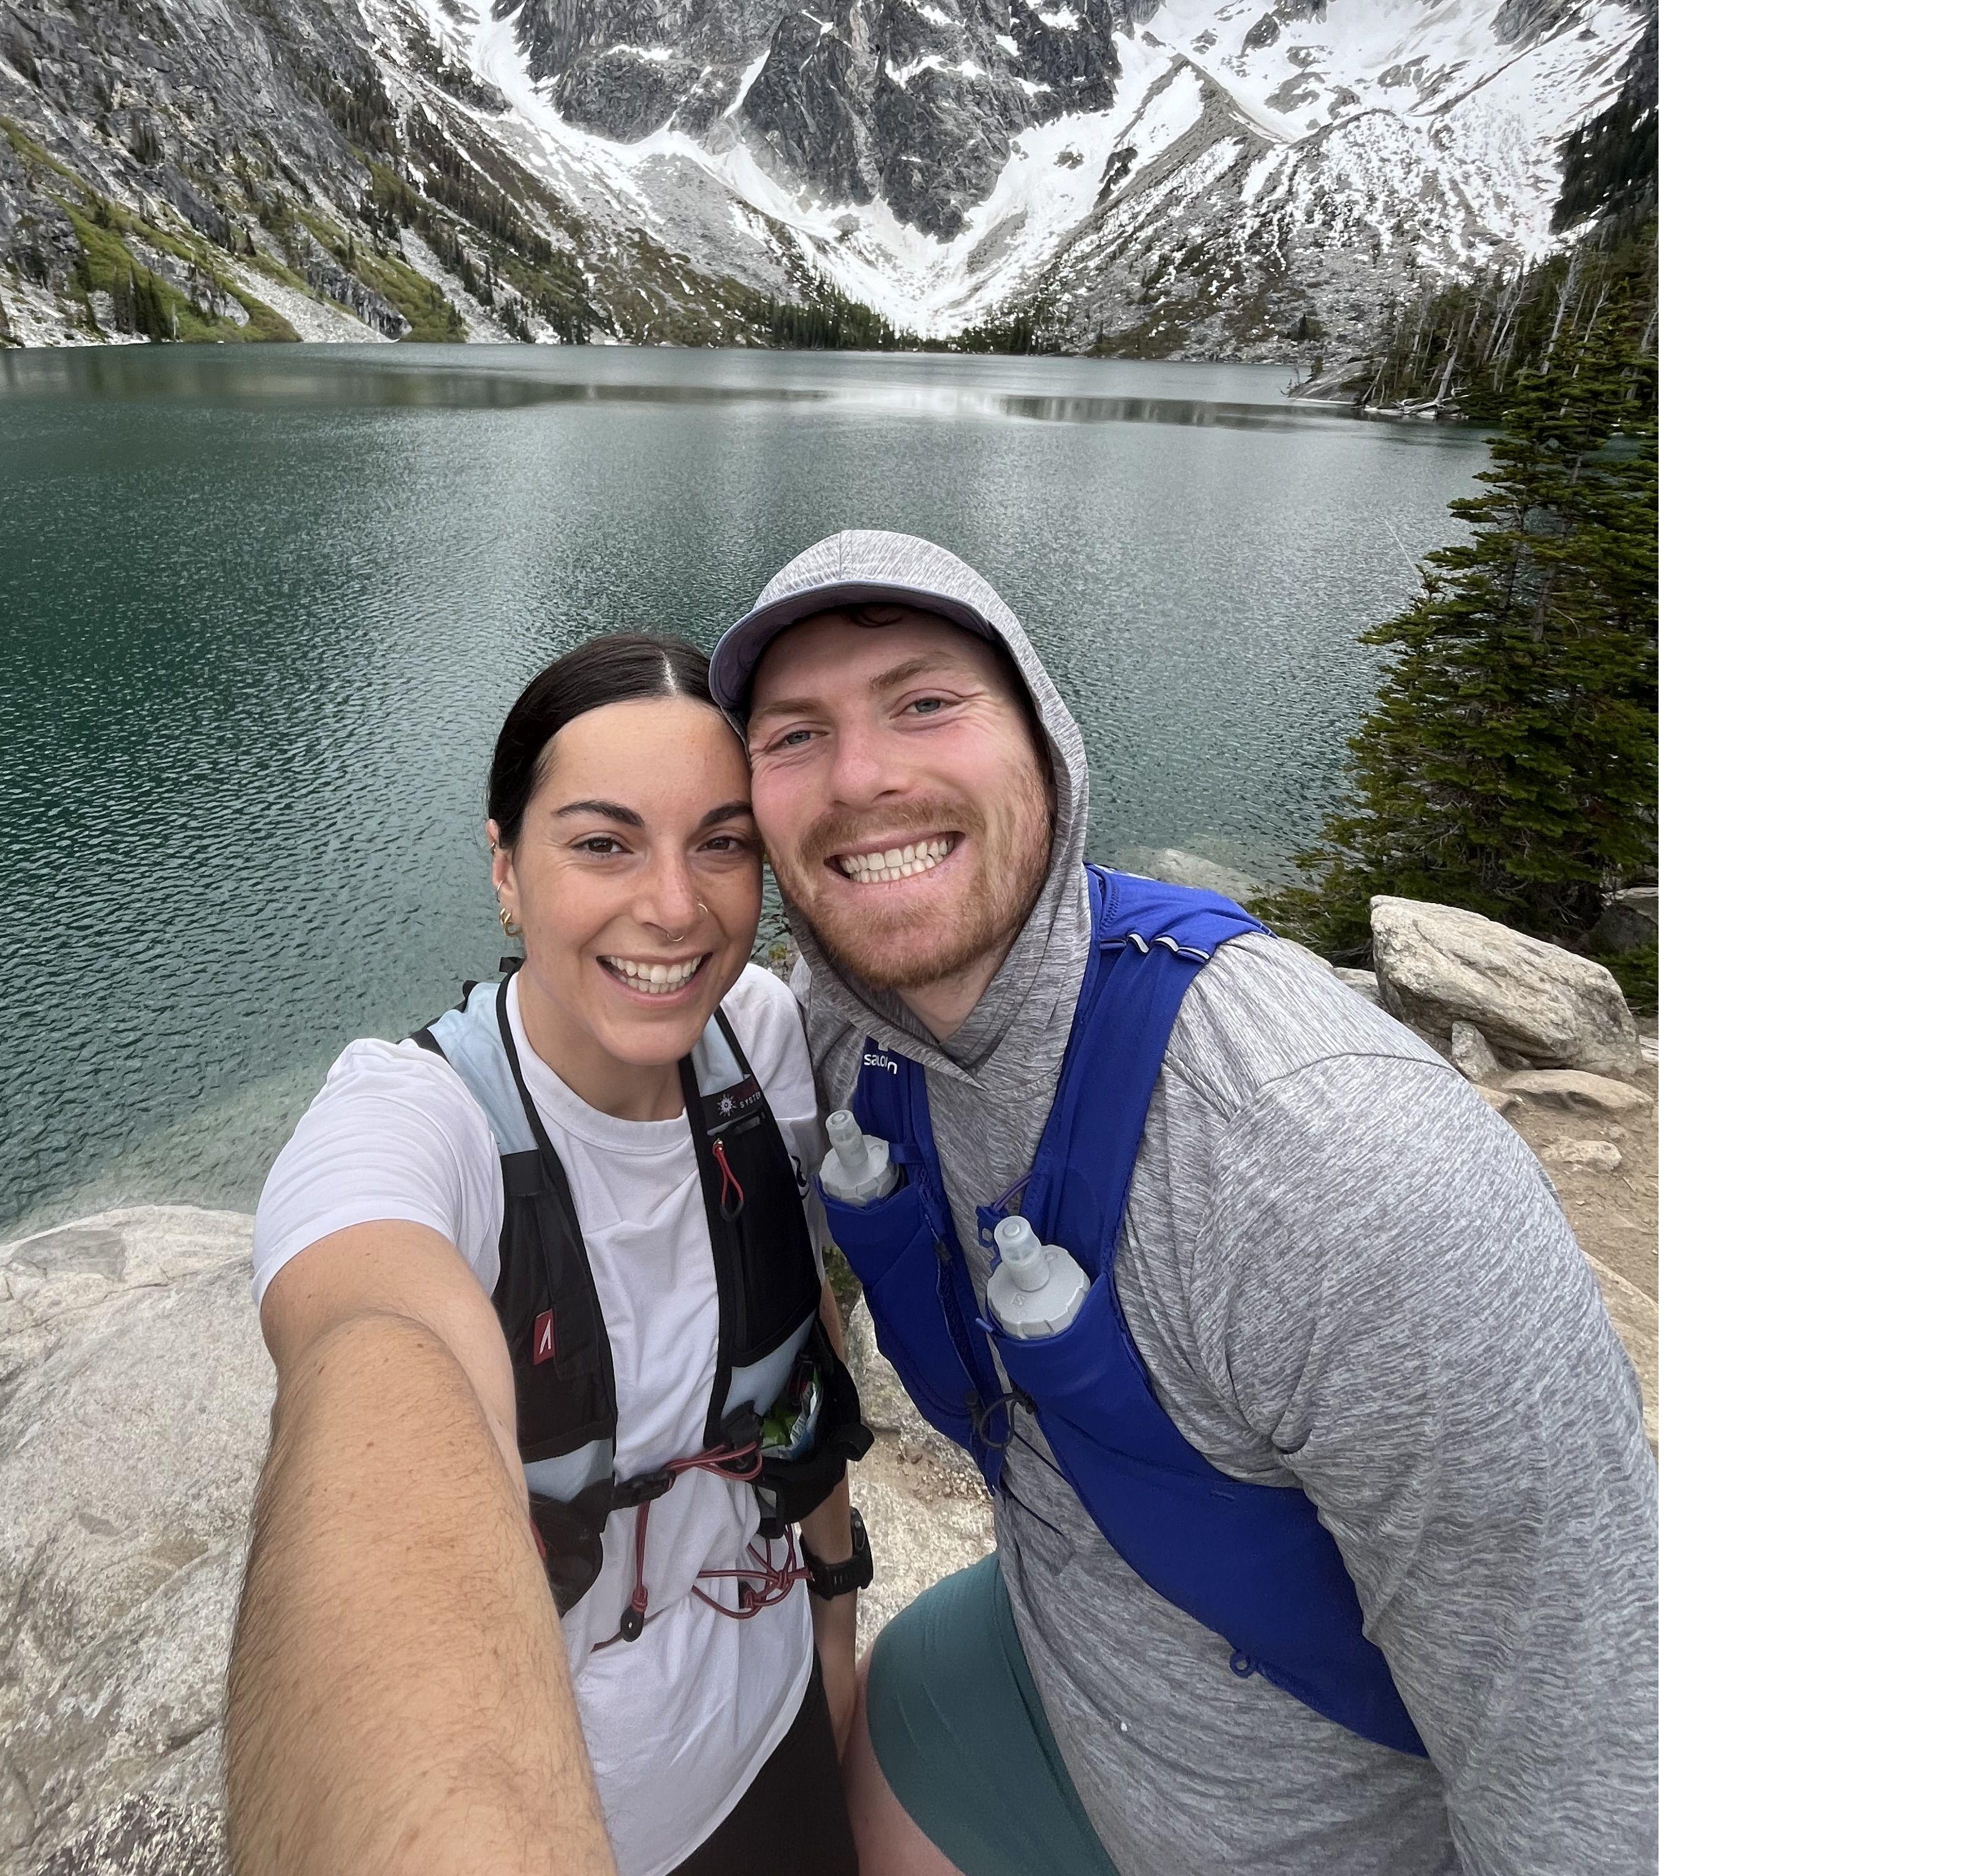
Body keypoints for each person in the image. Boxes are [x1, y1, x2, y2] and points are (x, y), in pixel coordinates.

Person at [706, 530, 1660, 1876]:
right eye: (794, 735)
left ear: (1048, 745)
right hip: (1060, 1671)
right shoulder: (845, 1040)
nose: (865, 776)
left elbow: (1591, 1761)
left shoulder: (1336, 1167)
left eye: (926, 702)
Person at [228, 635, 872, 1876]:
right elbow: (369, 1333)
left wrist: (838, 1605)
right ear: (506, 873)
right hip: (579, 1806)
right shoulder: (418, 1121)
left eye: (723, 843)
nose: (676, 907)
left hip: (774, 1714)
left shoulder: (756, 1037)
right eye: (603, 842)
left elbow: (798, 1337)